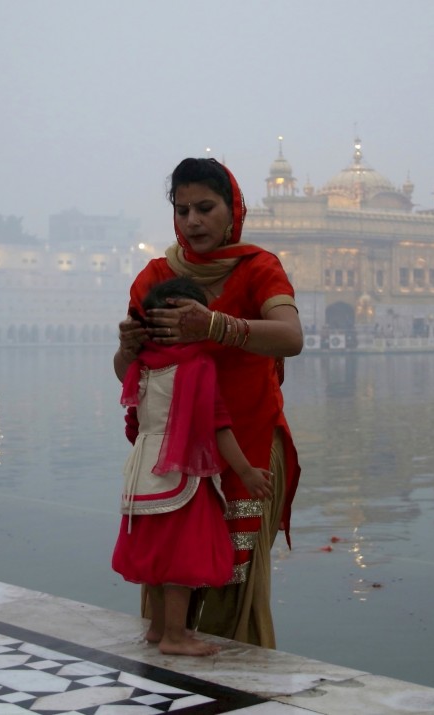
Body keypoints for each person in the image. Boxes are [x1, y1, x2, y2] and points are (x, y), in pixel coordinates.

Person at [114, 158, 303, 648]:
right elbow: (132, 377)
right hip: (173, 455)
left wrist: (214, 325)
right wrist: (127, 349)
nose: (192, 221)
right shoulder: (156, 276)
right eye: (182, 210)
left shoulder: (258, 268)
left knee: (229, 584)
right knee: (166, 571)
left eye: (205, 207)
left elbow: (290, 337)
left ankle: (228, 693)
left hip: (245, 443)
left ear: (232, 209)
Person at [113, 276, 274, 656]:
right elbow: (218, 426)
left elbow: (132, 404)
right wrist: (247, 472)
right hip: (180, 471)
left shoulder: (143, 365)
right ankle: (176, 635)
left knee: (152, 553)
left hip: (142, 471)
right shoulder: (197, 367)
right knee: (181, 558)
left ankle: (156, 627)